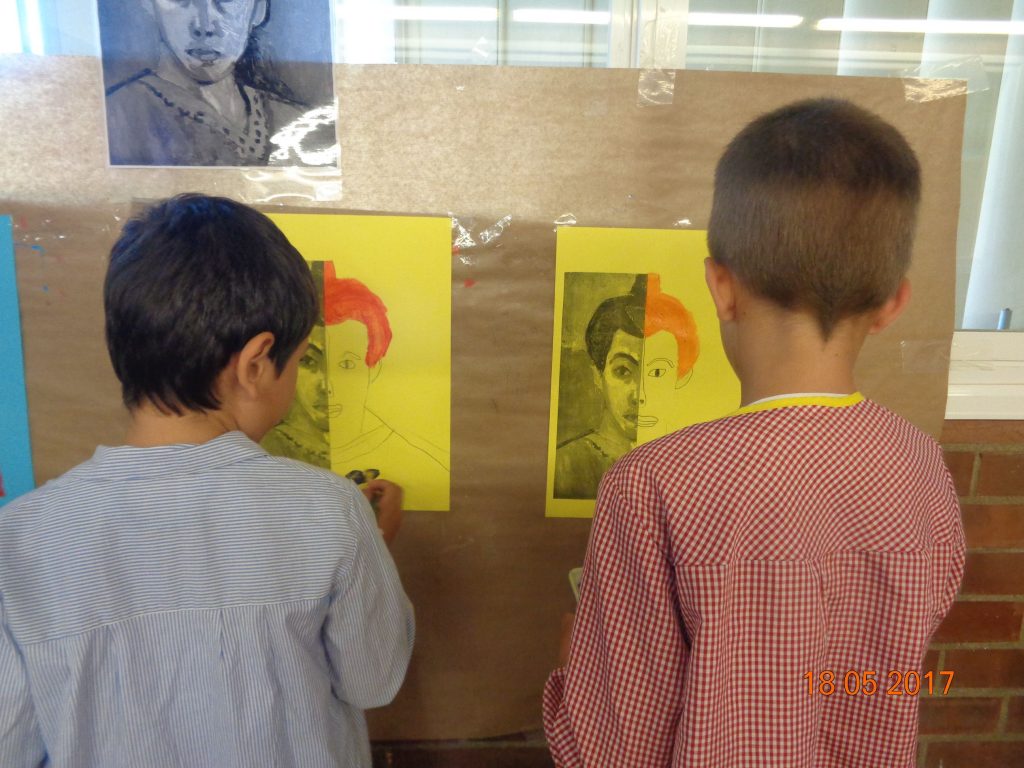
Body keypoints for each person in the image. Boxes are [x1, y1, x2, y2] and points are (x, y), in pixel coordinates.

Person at [543, 99, 965, 766]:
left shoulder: (652, 484)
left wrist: (577, 677)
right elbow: (884, 676)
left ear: (720, 286)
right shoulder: (921, 465)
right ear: (892, 304)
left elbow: (615, 749)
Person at [0, 195, 414, 767]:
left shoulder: (16, 538)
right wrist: (374, 549)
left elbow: (12, 742)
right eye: (301, 362)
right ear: (256, 364)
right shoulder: (330, 511)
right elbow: (374, 681)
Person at [103, 0, 331, 166]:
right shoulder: (114, 116)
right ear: (148, 4)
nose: (205, 26)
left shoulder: (298, 121)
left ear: (259, 8)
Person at [554, 274, 698, 499]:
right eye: (623, 371)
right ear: (597, 375)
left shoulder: (694, 467)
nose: (639, 395)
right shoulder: (564, 467)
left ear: (681, 377)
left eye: (657, 372)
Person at [321, 263, 450, 512]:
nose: (327, 387)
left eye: (347, 365)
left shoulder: (417, 462)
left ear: (373, 366)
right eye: (308, 362)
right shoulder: (269, 455)